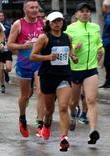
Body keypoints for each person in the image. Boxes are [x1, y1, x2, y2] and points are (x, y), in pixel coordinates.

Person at [30, 11, 78, 151]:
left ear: (63, 22)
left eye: (59, 21)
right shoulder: (44, 38)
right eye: (54, 22)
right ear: (49, 23)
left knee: (63, 106)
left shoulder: (68, 37)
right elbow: (33, 56)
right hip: (48, 76)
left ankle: (64, 137)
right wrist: (48, 57)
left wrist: (73, 57)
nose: (57, 24)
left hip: (64, 76)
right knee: (49, 110)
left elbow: (70, 51)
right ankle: (46, 125)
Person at [65, 2, 103, 145]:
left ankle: (93, 131)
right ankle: (73, 114)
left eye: (87, 11)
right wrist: (74, 48)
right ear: (76, 14)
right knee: (73, 102)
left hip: (91, 69)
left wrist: (101, 52)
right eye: (82, 11)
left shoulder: (95, 28)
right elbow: (66, 48)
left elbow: (99, 44)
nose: (85, 13)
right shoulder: (70, 29)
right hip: (75, 70)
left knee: (91, 100)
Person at [8, 0, 45, 137]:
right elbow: (10, 44)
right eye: (31, 7)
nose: (35, 10)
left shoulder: (43, 23)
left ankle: (40, 123)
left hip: (39, 63)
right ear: (25, 10)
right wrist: (23, 46)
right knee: (25, 95)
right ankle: (22, 117)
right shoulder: (18, 24)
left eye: (36, 7)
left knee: (41, 92)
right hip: (24, 63)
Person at [0, 10, 13, 94]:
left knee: (9, 68)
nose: (1, 17)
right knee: (1, 68)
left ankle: (6, 73)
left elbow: (12, 35)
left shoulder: (8, 25)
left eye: (2, 15)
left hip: (7, 49)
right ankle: (2, 85)